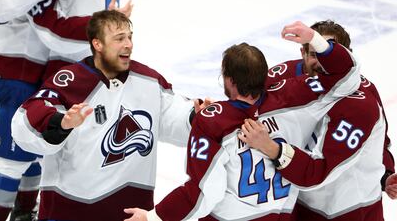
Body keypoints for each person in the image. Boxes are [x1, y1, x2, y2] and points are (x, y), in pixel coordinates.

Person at [124, 21, 361, 221]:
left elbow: (205, 192)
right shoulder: (296, 99)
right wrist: (315, 40)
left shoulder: (212, 122)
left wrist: (154, 217)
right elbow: (348, 76)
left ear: (229, 81)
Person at [11, 9, 207, 221]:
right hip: (69, 213)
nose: (128, 44)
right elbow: (25, 120)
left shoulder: (149, 81)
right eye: (119, 38)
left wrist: (195, 117)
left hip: (130, 213)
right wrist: (61, 122)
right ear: (98, 44)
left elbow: (173, 115)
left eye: (130, 37)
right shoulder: (70, 82)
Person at [0, 0, 132, 220]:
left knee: (41, 151)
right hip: (21, 75)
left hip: (66, 76)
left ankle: (26, 212)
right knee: (13, 160)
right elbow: (4, 9)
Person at [241, 21, 388, 220]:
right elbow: (246, 104)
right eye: (313, 54)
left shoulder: (360, 104)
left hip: (351, 209)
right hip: (299, 201)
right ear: (302, 52)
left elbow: (380, 142)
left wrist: (386, 175)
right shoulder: (285, 76)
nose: (321, 62)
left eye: (328, 54)